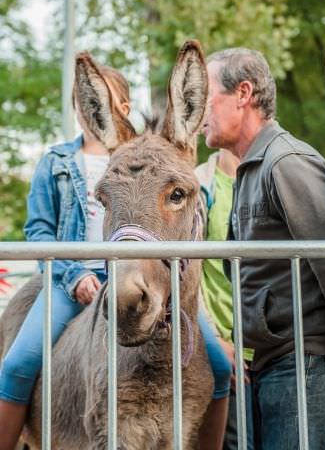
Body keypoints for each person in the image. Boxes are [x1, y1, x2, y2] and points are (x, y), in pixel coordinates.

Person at [0, 59, 230, 450]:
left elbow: (188, 212)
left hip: (137, 274)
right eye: (84, 102)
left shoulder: (149, 157)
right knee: (19, 363)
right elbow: (38, 231)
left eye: (102, 102)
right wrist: (74, 276)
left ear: (121, 107)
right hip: (69, 280)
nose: (88, 111)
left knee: (220, 369)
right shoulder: (57, 162)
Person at [202, 48, 325, 449]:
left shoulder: (286, 162)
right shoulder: (251, 169)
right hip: (279, 366)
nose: (200, 114)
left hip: (310, 368)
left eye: (208, 100)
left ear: (243, 93)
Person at [196, 148, 255, 449]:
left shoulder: (271, 176)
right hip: (224, 349)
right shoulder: (200, 184)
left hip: (273, 352)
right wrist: (215, 340)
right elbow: (187, 273)